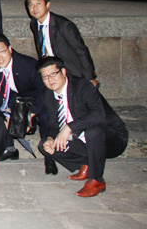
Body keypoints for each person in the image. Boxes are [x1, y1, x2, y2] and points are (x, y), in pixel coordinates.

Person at [36, 56, 128, 197]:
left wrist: (69, 127)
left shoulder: (82, 86)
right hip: (83, 139)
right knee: (45, 145)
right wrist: (50, 138)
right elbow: (54, 124)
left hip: (111, 138)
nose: (50, 79)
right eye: (45, 77)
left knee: (93, 130)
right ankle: (87, 163)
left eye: (53, 74)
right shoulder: (48, 95)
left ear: (63, 72)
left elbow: (99, 115)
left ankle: (97, 180)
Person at [0, 33, 50, 168]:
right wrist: (7, 111)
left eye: (2, 51)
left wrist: (31, 114)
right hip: (15, 100)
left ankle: (49, 156)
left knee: (46, 116)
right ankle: (9, 149)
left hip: (35, 98)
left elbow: (44, 91)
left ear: (10, 49)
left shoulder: (28, 64)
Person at [27, 0, 97, 85]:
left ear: (47, 5)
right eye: (31, 4)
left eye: (38, 3)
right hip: (51, 72)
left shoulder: (64, 25)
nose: (35, 8)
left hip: (71, 72)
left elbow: (81, 51)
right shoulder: (34, 23)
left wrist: (90, 77)